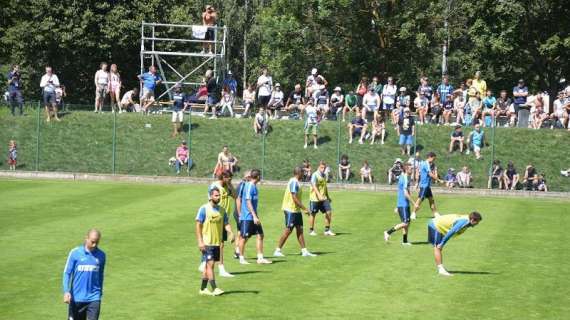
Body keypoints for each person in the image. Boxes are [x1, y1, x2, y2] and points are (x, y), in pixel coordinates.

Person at [196, 188, 234, 296]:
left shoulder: (222, 210)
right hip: (207, 243)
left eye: (219, 196)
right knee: (211, 265)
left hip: (216, 243)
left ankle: (203, 289)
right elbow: (198, 226)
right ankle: (214, 288)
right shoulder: (204, 209)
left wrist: (231, 232)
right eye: (216, 196)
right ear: (210, 196)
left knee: (208, 266)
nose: (218, 198)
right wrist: (200, 241)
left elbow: (226, 223)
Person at [273, 167, 317, 258]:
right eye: (302, 172)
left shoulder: (296, 182)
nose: (304, 174)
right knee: (288, 230)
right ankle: (277, 250)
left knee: (300, 230)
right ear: (299, 173)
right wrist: (304, 208)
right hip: (290, 210)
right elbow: (294, 197)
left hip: (296, 210)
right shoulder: (293, 182)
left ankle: (304, 251)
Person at [63, 229, 106, 319]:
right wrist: (66, 291)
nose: (94, 245)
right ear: (86, 238)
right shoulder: (75, 253)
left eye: (97, 242)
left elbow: (100, 275)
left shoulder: (101, 255)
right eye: (92, 242)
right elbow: (67, 273)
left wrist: (100, 292)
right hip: (76, 298)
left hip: (94, 298)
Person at [203, 171, 237, 278]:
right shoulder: (214, 186)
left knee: (220, 243)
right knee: (217, 243)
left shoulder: (227, 187)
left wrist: (230, 185)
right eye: (229, 179)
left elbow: (235, 196)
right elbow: (210, 200)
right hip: (216, 217)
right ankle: (220, 268)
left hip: (224, 218)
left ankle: (206, 263)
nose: (230, 181)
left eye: (231, 179)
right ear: (223, 177)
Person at [428, 212, 483, 276]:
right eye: (477, 222)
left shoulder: (467, 220)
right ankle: (441, 270)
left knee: (438, 247)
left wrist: (443, 243)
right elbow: (452, 232)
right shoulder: (464, 222)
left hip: (440, 226)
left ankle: (441, 268)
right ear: (472, 220)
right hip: (435, 225)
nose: (477, 224)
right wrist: (442, 243)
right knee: (437, 247)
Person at [237, 169, 272, 264]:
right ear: (258, 177)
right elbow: (248, 201)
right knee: (244, 237)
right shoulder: (249, 186)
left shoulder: (254, 187)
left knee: (260, 235)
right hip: (247, 217)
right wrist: (254, 216)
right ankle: (241, 258)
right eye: (260, 176)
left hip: (253, 216)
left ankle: (260, 258)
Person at [384, 163, 414, 245]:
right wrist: (414, 203)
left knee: (407, 224)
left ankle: (404, 241)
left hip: (404, 204)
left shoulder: (405, 177)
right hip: (403, 204)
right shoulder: (404, 178)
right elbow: (405, 193)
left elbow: (405, 191)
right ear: (407, 169)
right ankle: (388, 232)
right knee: (405, 223)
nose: (412, 170)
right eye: (411, 168)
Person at [309, 161, 336, 236]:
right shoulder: (315, 175)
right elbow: (313, 185)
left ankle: (327, 230)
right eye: (321, 167)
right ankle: (311, 230)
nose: (323, 169)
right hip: (315, 198)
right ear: (318, 167)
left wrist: (328, 196)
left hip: (324, 198)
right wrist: (319, 195)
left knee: (329, 212)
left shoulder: (324, 175)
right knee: (313, 214)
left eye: (324, 167)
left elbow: (325, 187)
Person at [411, 152, 441, 220]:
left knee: (431, 200)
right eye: (433, 159)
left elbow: (420, 174)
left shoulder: (424, 163)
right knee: (420, 200)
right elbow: (430, 174)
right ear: (430, 157)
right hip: (424, 185)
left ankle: (436, 214)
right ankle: (413, 213)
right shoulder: (426, 164)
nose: (434, 160)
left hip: (427, 185)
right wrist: (439, 180)